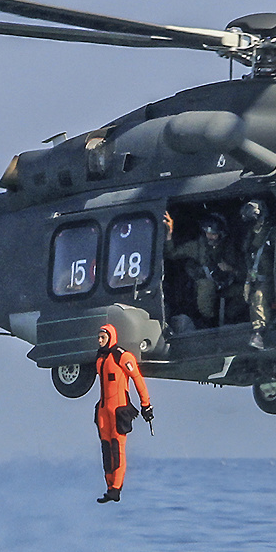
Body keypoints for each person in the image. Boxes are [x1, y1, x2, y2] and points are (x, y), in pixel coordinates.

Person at [94, 323, 152, 503]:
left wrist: (146, 405)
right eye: (98, 337)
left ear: (110, 337)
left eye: (103, 337)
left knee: (117, 449)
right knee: (105, 450)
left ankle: (116, 489)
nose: (100, 340)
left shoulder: (122, 356)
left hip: (119, 410)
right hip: (103, 410)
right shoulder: (100, 357)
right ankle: (109, 487)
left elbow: (137, 379)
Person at [164, 212, 233, 327]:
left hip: (230, 284)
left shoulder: (229, 246)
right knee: (206, 287)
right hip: (206, 285)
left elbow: (243, 269)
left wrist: (230, 269)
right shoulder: (197, 247)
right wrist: (169, 234)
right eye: (207, 233)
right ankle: (209, 324)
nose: (209, 236)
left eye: (213, 234)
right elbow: (171, 253)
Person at [238, 199, 274, 349]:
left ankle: (259, 334)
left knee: (258, 297)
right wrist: (247, 282)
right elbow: (250, 262)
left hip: (273, 278)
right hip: (256, 278)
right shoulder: (250, 237)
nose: (255, 224)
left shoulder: (272, 234)